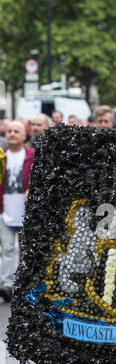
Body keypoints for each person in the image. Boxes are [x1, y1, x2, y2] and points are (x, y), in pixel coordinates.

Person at [0, 121, 34, 301]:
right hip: (4, 210)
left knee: (25, 250)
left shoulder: (32, 155)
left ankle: (23, 285)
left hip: (25, 211)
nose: (12, 134)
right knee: (6, 250)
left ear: (24, 135)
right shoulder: (1, 155)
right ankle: (6, 285)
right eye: (9, 131)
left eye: (16, 131)